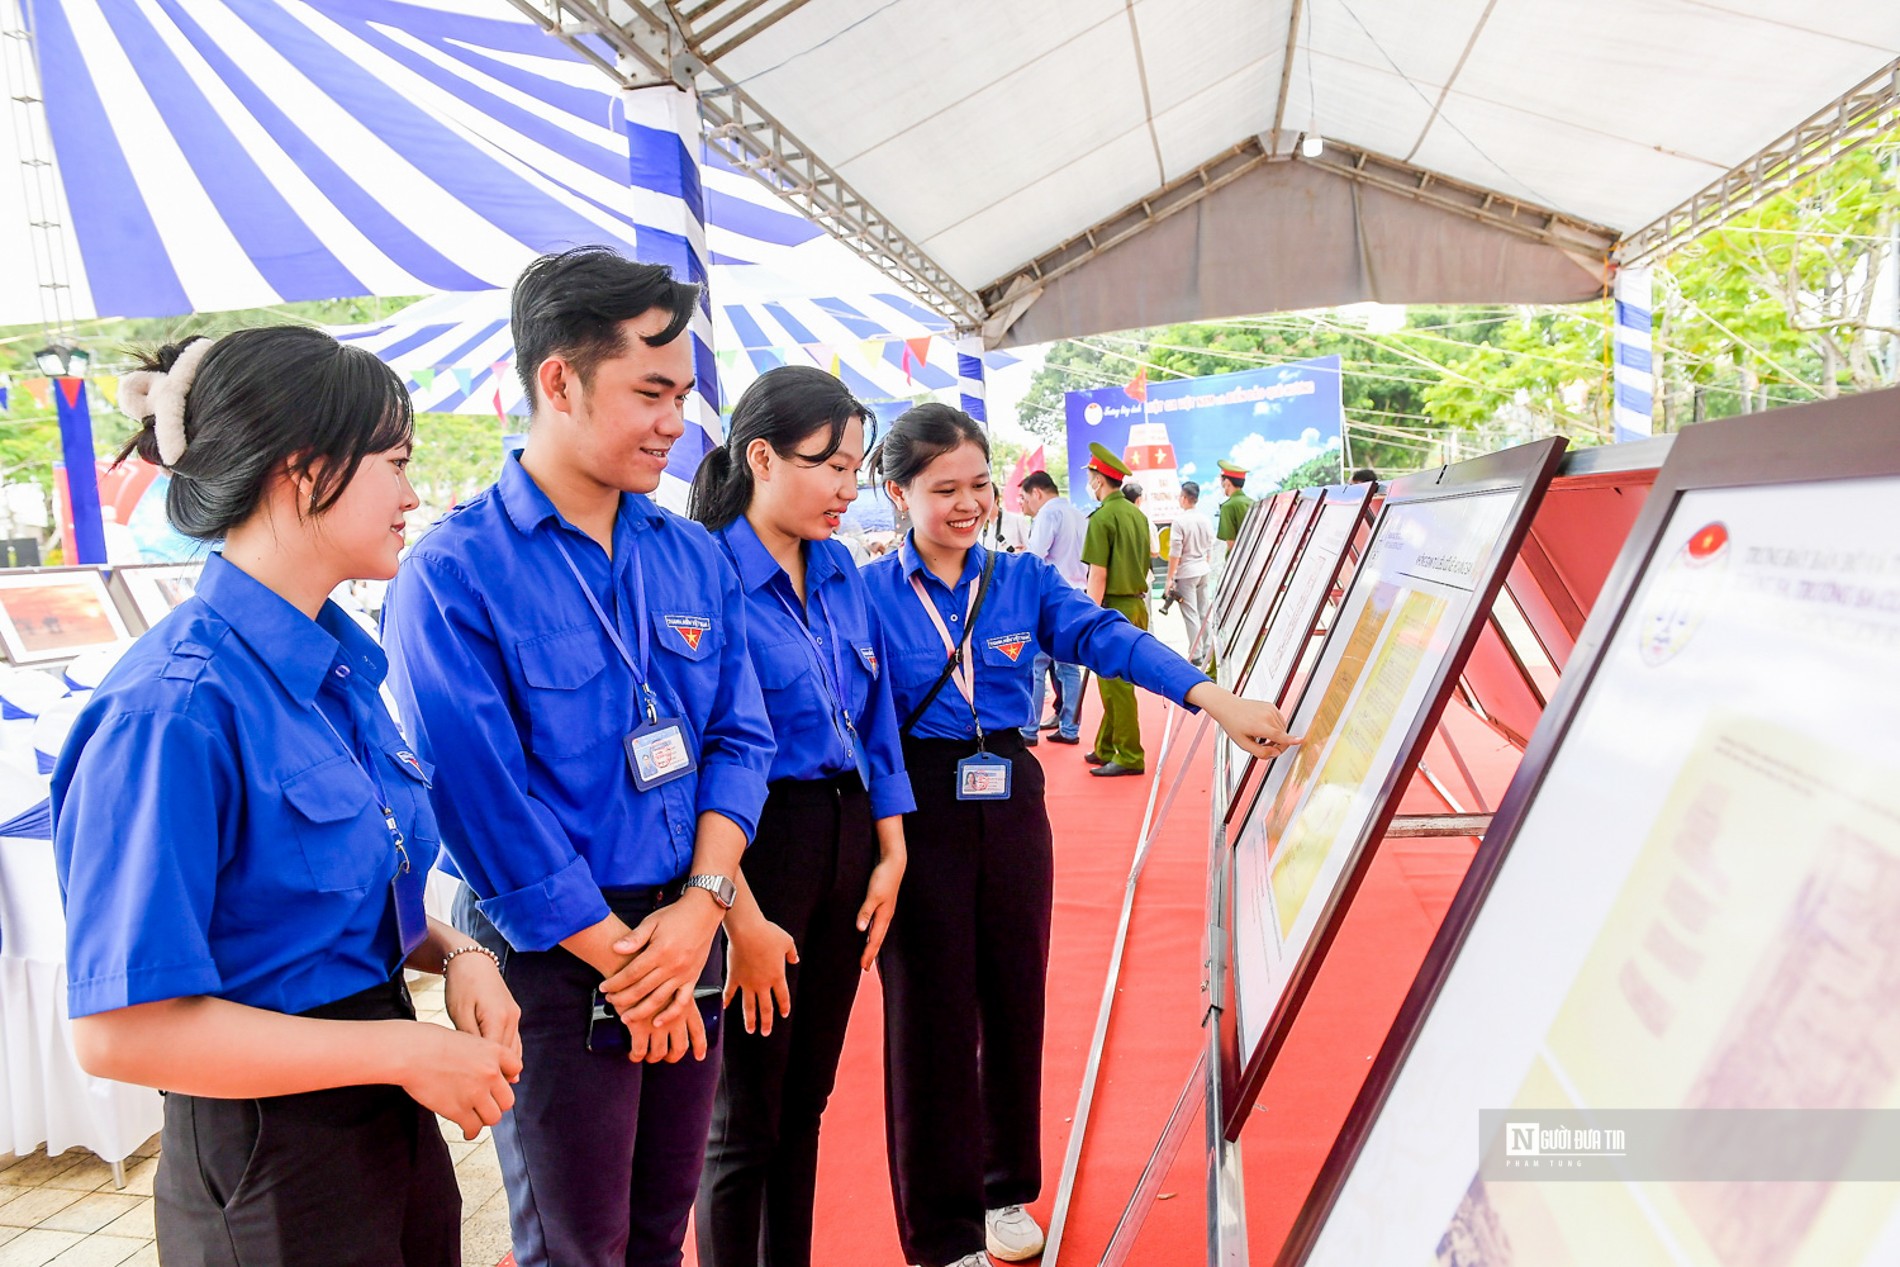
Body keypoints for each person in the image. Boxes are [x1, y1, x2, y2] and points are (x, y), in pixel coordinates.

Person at [52, 327, 523, 1266]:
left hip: (383, 1113)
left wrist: (459, 952)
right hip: (267, 1155)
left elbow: (322, 900)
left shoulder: (332, 670)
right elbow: (119, 1033)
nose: (413, 493)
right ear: (304, 471)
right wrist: (400, 1052)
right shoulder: (173, 711)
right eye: (394, 461)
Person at [382, 247, 777, 1267]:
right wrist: (624, 959)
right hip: (551, 968)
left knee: (659, 1226)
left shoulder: (690, 551)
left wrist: (701, 908)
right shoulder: (454, 574)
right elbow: (483, 802)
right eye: (651, 391)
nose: (675, 423)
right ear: (557, 378)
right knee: (575, 1245)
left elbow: (741, 736)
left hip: (687, 935)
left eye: (684, 395)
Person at [861, 404, 1298, 1267]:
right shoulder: (866, 594)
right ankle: (942, 1227)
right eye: (943, 488)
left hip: (1011, 795)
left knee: (1015, 995)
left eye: (979, 485)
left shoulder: (1021, 580)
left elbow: (1109, 637)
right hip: (915, 805)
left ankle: (1003, 1189)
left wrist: (1213, 699)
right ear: (896, 491)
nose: (967, 504)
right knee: (929, 1013)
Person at [686, 365, 913, 1267]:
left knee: (808, 1099)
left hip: (849, 839)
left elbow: (877, 713)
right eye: (830, 466)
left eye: (857, 469)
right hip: (756, 846)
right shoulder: (702, 573)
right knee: (745, 1116)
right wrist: (733, 910)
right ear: (762, 457)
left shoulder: (841, 568)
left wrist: (891, 846)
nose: (848, 489)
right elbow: (700, 758)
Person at [1081, 443, 1152, 778]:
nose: (1090, 483)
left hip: (1112, 607)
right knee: (1114, 681)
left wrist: (1087, 618)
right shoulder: (1136, 514)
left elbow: (1098, 574)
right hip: (1136, 604)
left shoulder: (1103, 517)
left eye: (1091, 477)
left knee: (1116, 686)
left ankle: (1130, 755)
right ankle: (1107, 747)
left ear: (1098, 480)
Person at [1016, 471, 1085, 747]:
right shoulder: (1078, 514)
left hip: (1050, 598)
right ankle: (1069, 728)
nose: (1024, 504)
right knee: (1068, 668)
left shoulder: (1047, 514)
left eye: (1024, 498)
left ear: (1037, 493)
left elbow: (1035, 557)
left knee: (1036, 665)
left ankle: (1029, 728)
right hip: (1076, 594)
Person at [1165, 480, 1215, 664]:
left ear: (1185, 498)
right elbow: (1210, 545)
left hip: (1186, 572)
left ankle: (1196, 654)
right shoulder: (1205, 519)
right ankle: (1209, 649)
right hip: (1203, 569)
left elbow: (1175, 553)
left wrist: (1170, 578)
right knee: (1203, 612)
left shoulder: (1180, 521)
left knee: (1191, 614)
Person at [1215, 459, 1254, 554]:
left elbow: (1231, 544)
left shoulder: (1227, 507)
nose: (1222, 485)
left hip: (1238, 561)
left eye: (1222, 481)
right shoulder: (1253, 502)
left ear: (1227, 482)